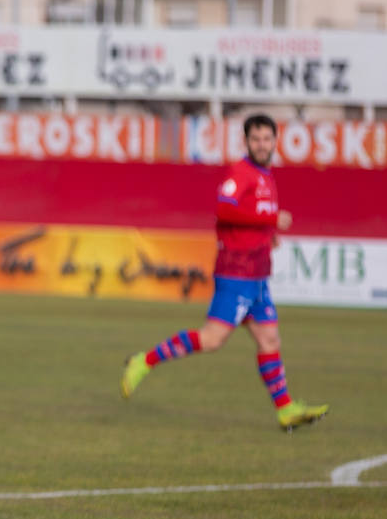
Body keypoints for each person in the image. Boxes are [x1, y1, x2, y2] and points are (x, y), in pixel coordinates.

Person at [120, 114, 328, 432]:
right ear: (247, 142)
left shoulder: (265, 175)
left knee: (269, 339)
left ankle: (285, 409)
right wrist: (270, 218)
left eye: (267, 139)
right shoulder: (241, 173)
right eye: (256, 139)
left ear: (275, 142)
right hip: (236, 272)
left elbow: (254, 217)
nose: (262, 144)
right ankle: (143, 361)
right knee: (212, 339)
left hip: (257, 274)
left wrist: (268, 234)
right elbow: (224, 207)